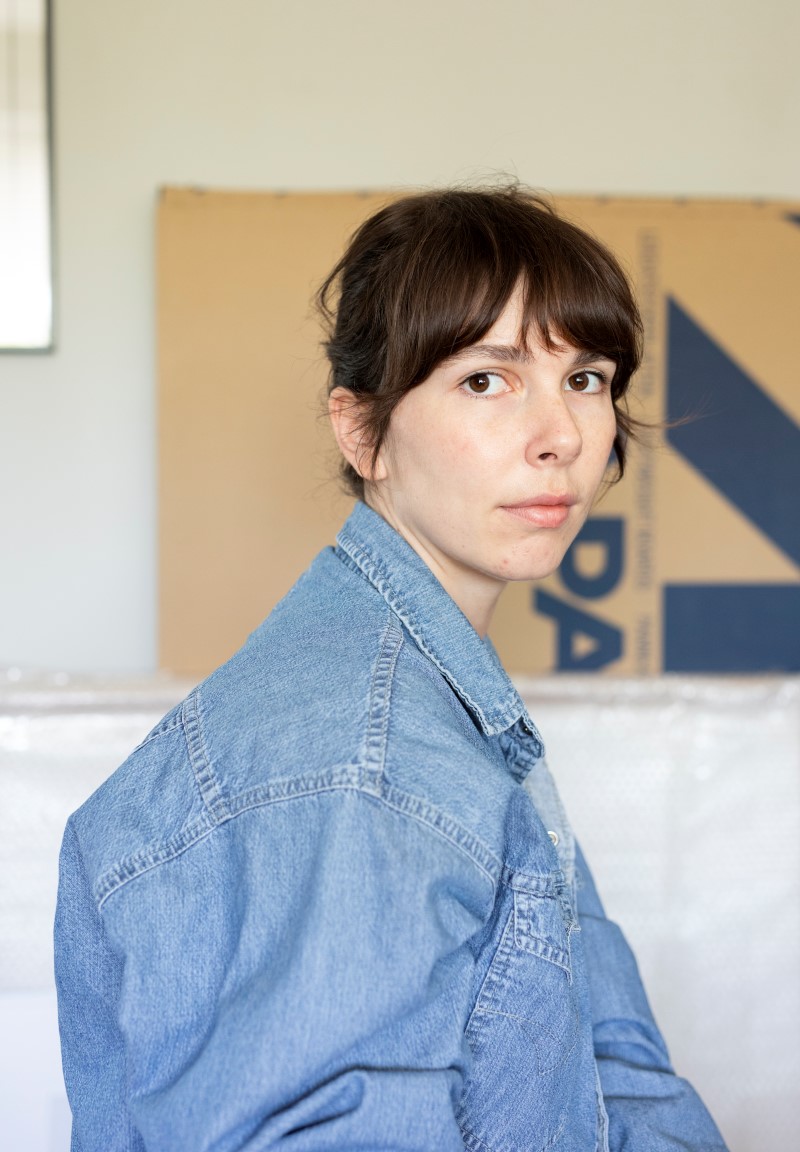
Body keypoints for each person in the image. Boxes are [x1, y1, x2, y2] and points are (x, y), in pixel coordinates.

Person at [55, 185, 728, 1151]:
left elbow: (604, 1066)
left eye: (585, 377)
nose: (565, 436)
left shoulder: (433, 702)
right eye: (486, 380)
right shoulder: (357, 763)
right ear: (362, 432)